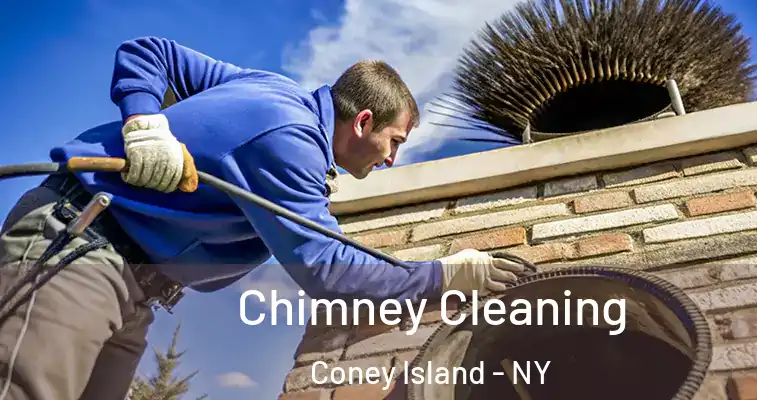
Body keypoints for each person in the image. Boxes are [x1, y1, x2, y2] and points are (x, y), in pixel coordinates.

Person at [0, 37, 524, 400]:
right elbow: (331, 270)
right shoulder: (290, 140)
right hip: (78, 246)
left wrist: (146, 117)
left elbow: (151, 51)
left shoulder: (269, 89)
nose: (392, 159)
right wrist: (445, 275)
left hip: (130, 284)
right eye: (394, 142)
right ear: (363, 121)